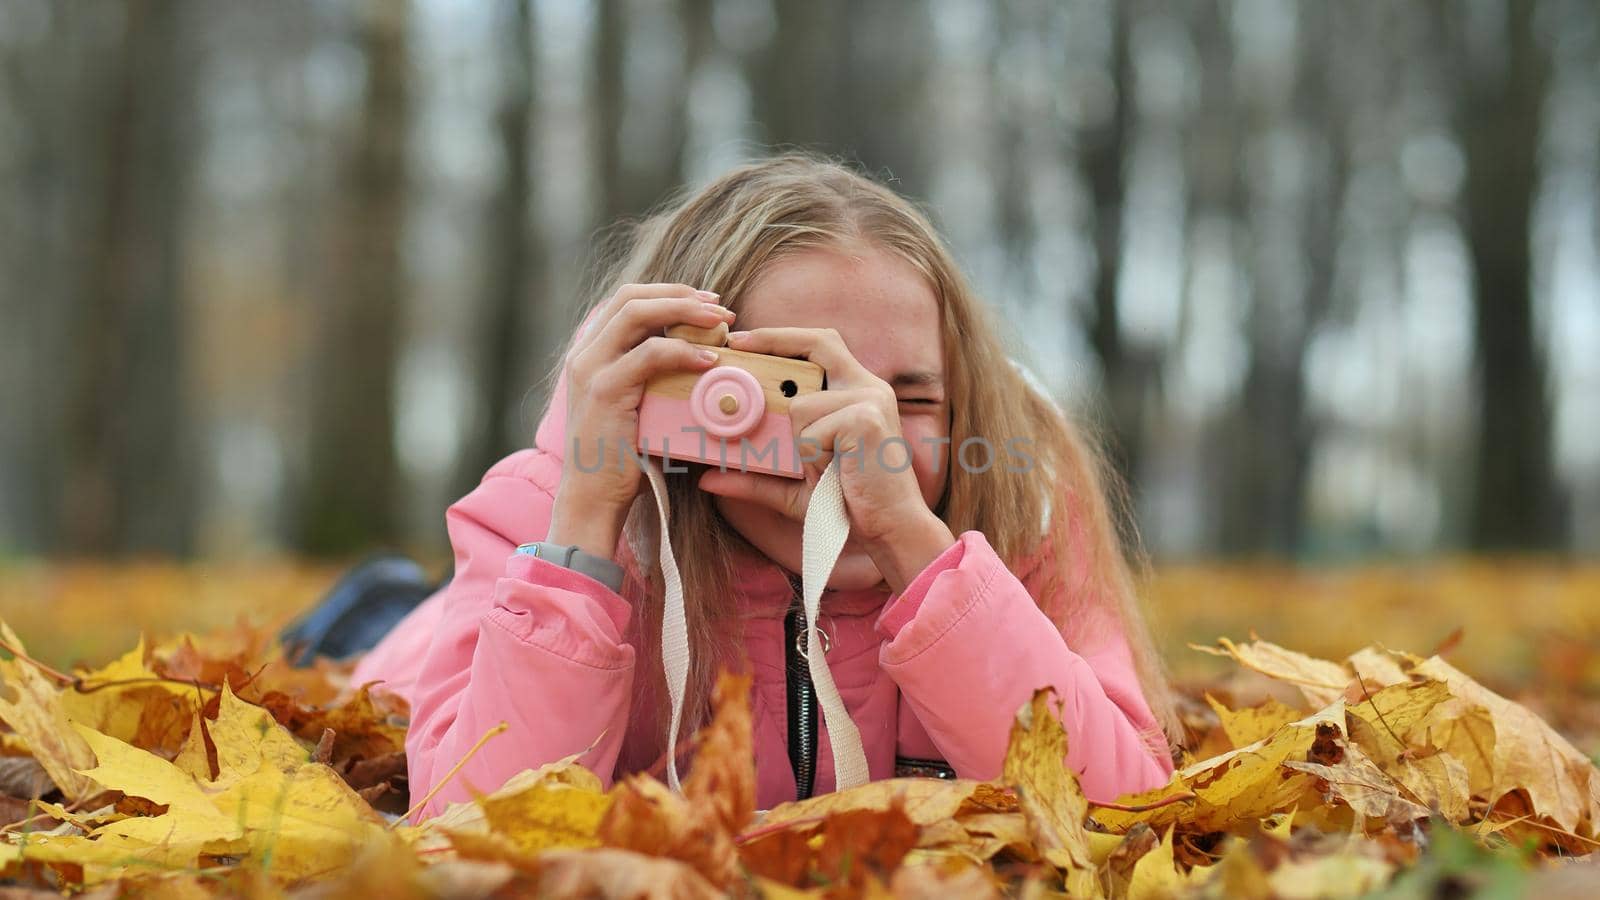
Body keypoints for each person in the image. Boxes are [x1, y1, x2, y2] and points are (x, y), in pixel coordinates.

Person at [353, 154, 1177, 821]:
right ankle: (373, 605)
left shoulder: (1014, 508)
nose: (863, 432)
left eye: (914, 399)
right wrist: (583, 531)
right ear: (682, 389)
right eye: (802, 386)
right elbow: (472, 832)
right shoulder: (559, 514)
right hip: (412, 650)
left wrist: (920, 550)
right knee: (379, 636)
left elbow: (1120, 811)